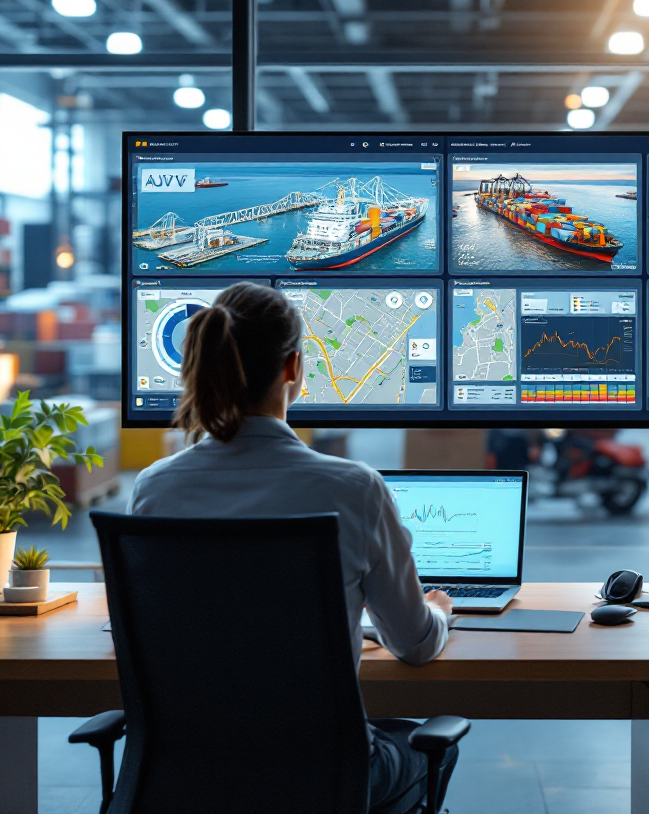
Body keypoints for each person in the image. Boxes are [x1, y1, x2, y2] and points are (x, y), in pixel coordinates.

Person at [128, 282, 457, 812]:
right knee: (419, 747)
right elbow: (413, 646)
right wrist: (438, 610)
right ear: (294, 368)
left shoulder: (156, 487)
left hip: (193, 777)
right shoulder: (353, 488)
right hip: (324, 778)